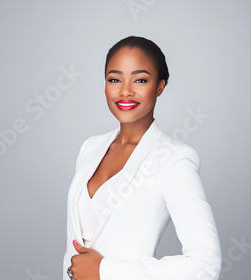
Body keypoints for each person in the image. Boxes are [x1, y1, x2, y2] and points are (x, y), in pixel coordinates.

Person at [63, 36, 221, 280]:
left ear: (159, 86)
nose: (125, 91)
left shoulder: (174, 160)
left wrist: (105, 271)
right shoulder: (90, 148)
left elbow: (206, 264)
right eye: (114, 79)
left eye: (140, 80)